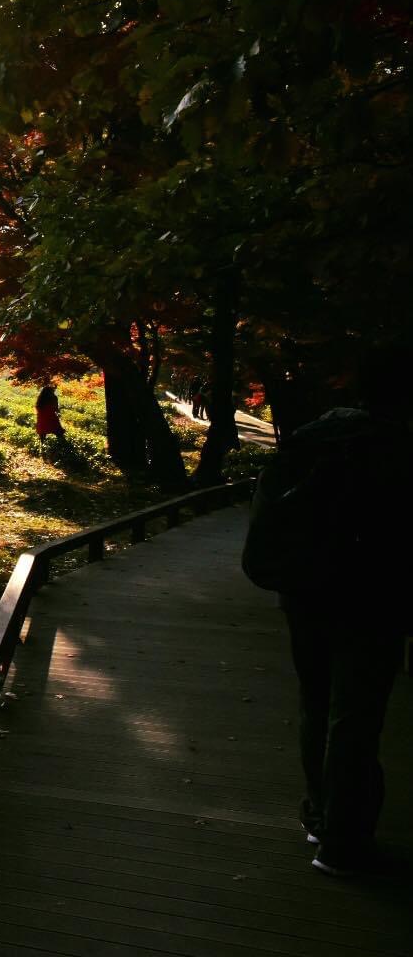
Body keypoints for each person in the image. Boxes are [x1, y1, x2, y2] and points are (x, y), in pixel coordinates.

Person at [242, 375, 410, 876]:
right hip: (373, 603)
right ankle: (345, 842)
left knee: (317, 705)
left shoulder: (307, 444)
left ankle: (318, 815)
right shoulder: (396, 452)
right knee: (355, 718)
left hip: (304, 598)